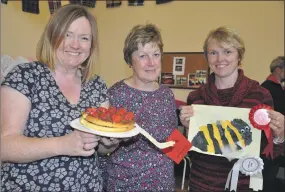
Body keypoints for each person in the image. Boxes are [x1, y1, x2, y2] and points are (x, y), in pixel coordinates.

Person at [1, 4, 117, 191]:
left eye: (84, 38)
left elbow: (101, 149)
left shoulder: (97, 85)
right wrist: (63, 144)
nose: (75, 44)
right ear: (52, 35)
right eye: (67, 34)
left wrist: (109, 143)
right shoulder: (25, 76)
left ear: (91, 45)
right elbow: (5, 146)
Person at [179, 26, 284, 192]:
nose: (220, 58)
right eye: (213, 53)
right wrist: (187, 129)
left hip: (243, 185)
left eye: (227, 52)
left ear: (239, 56)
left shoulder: (260, 96)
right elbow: (191, 150)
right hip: (201, 184)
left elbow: (270, 151)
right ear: (207, 57)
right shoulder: (195, 98)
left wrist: (280, 136)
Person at [103, 24, 178, 191]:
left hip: (163, 184)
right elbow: (104, 147)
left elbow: (172, 143)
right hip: (124, 184)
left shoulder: (167, 95)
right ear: (130, 60)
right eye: (143, 56)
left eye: (156, 55)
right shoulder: (115, 94)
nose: (151, 62)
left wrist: (193, 131)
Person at [261, 57, 285, 191]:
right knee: (269, 176)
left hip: (276, 140)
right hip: (269, 142)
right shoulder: (268, 89)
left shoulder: (274, 87)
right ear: (278, 70)